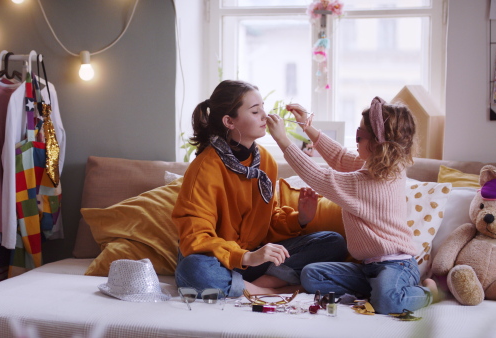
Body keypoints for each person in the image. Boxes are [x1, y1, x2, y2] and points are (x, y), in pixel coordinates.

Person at [172, 80, 348, 298]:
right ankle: (265, 290)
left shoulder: (265, 160)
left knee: (333, 241)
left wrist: (300, 218)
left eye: (263, 108)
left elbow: (268, 222)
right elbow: (195, 238)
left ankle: (254, 284)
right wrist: (247, 257)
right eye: (255, 111)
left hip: (254, 259)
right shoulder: (205, 168)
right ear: (229, 121)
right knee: (194, 270)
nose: (264, 116)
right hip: (217, 260)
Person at [265, 97, 439, 314]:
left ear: (377, 144)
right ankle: (375, 291)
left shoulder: (365, 183)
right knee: (311, 274)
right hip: (368, 268)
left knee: (386, 303)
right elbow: (339, 157)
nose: (356, 141)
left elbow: (319, 176)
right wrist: (307, 128)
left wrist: (282, 139)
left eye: (360, 136)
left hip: (397, 265)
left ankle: (428, 293)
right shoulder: (388, 167)